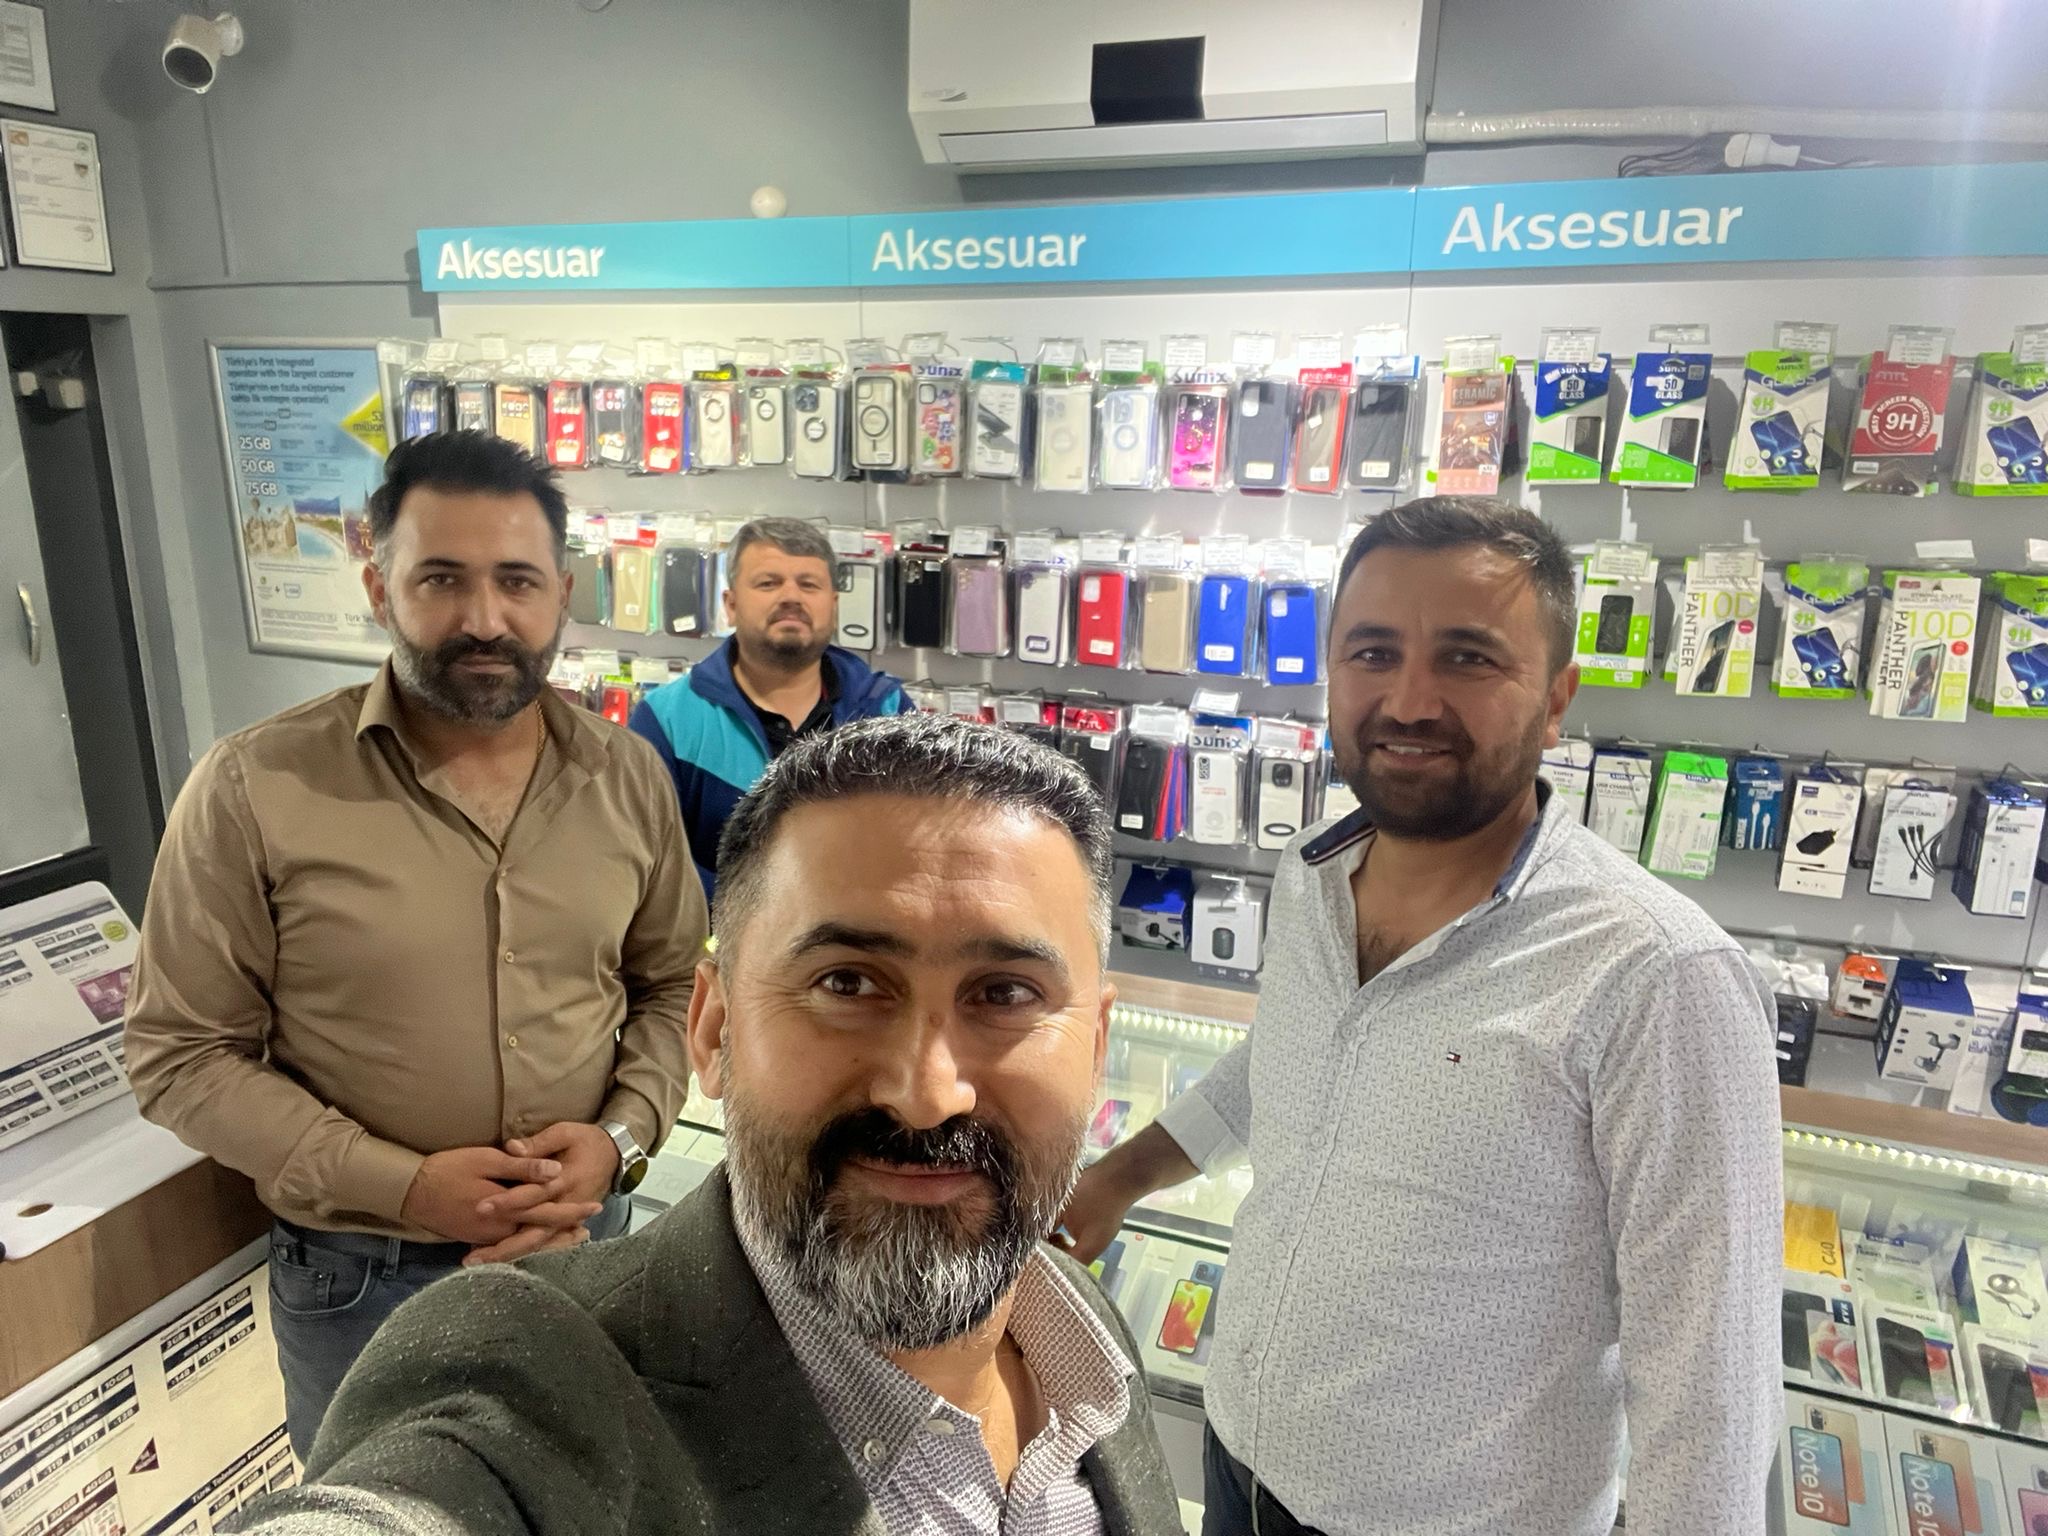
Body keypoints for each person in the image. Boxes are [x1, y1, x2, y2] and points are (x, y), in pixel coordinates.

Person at [223, 714, 1181, 1536]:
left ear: (1096, 1046)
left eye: (1006, 994)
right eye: (847, 983)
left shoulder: (1081, 1338)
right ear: (715, 1029)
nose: (927, 1094)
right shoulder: (534, 1377)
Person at [1059, 497, 1781, 1536]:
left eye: (1467, 658)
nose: (1408, 700)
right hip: (1240, 1470)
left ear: (1555, 700)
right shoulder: (1310, 874)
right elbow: (1286, 1062)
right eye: (1373, 653)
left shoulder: (1658, 975)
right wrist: (1119, 1177)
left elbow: (1710, 1391)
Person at [126, 431, 707, 1462]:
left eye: (516, 581)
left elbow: (667, 986)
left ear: (563, 594)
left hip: (587, 1248)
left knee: (588, 1502)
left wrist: (620, 1139)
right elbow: (180, 1056)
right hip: (363, 1281)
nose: (483, 618)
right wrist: (405, 1185)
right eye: (441, 579)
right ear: (377, 588)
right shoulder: (254, 787)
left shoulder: (627, 777)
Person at [631, 517, 907, 897]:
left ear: (833, 606)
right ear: (730, 605)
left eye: (808, 584)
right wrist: (751, 918)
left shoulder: (887, 711)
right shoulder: (667, 721)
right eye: (768, 583)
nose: (791, 596)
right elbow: (650, 860)